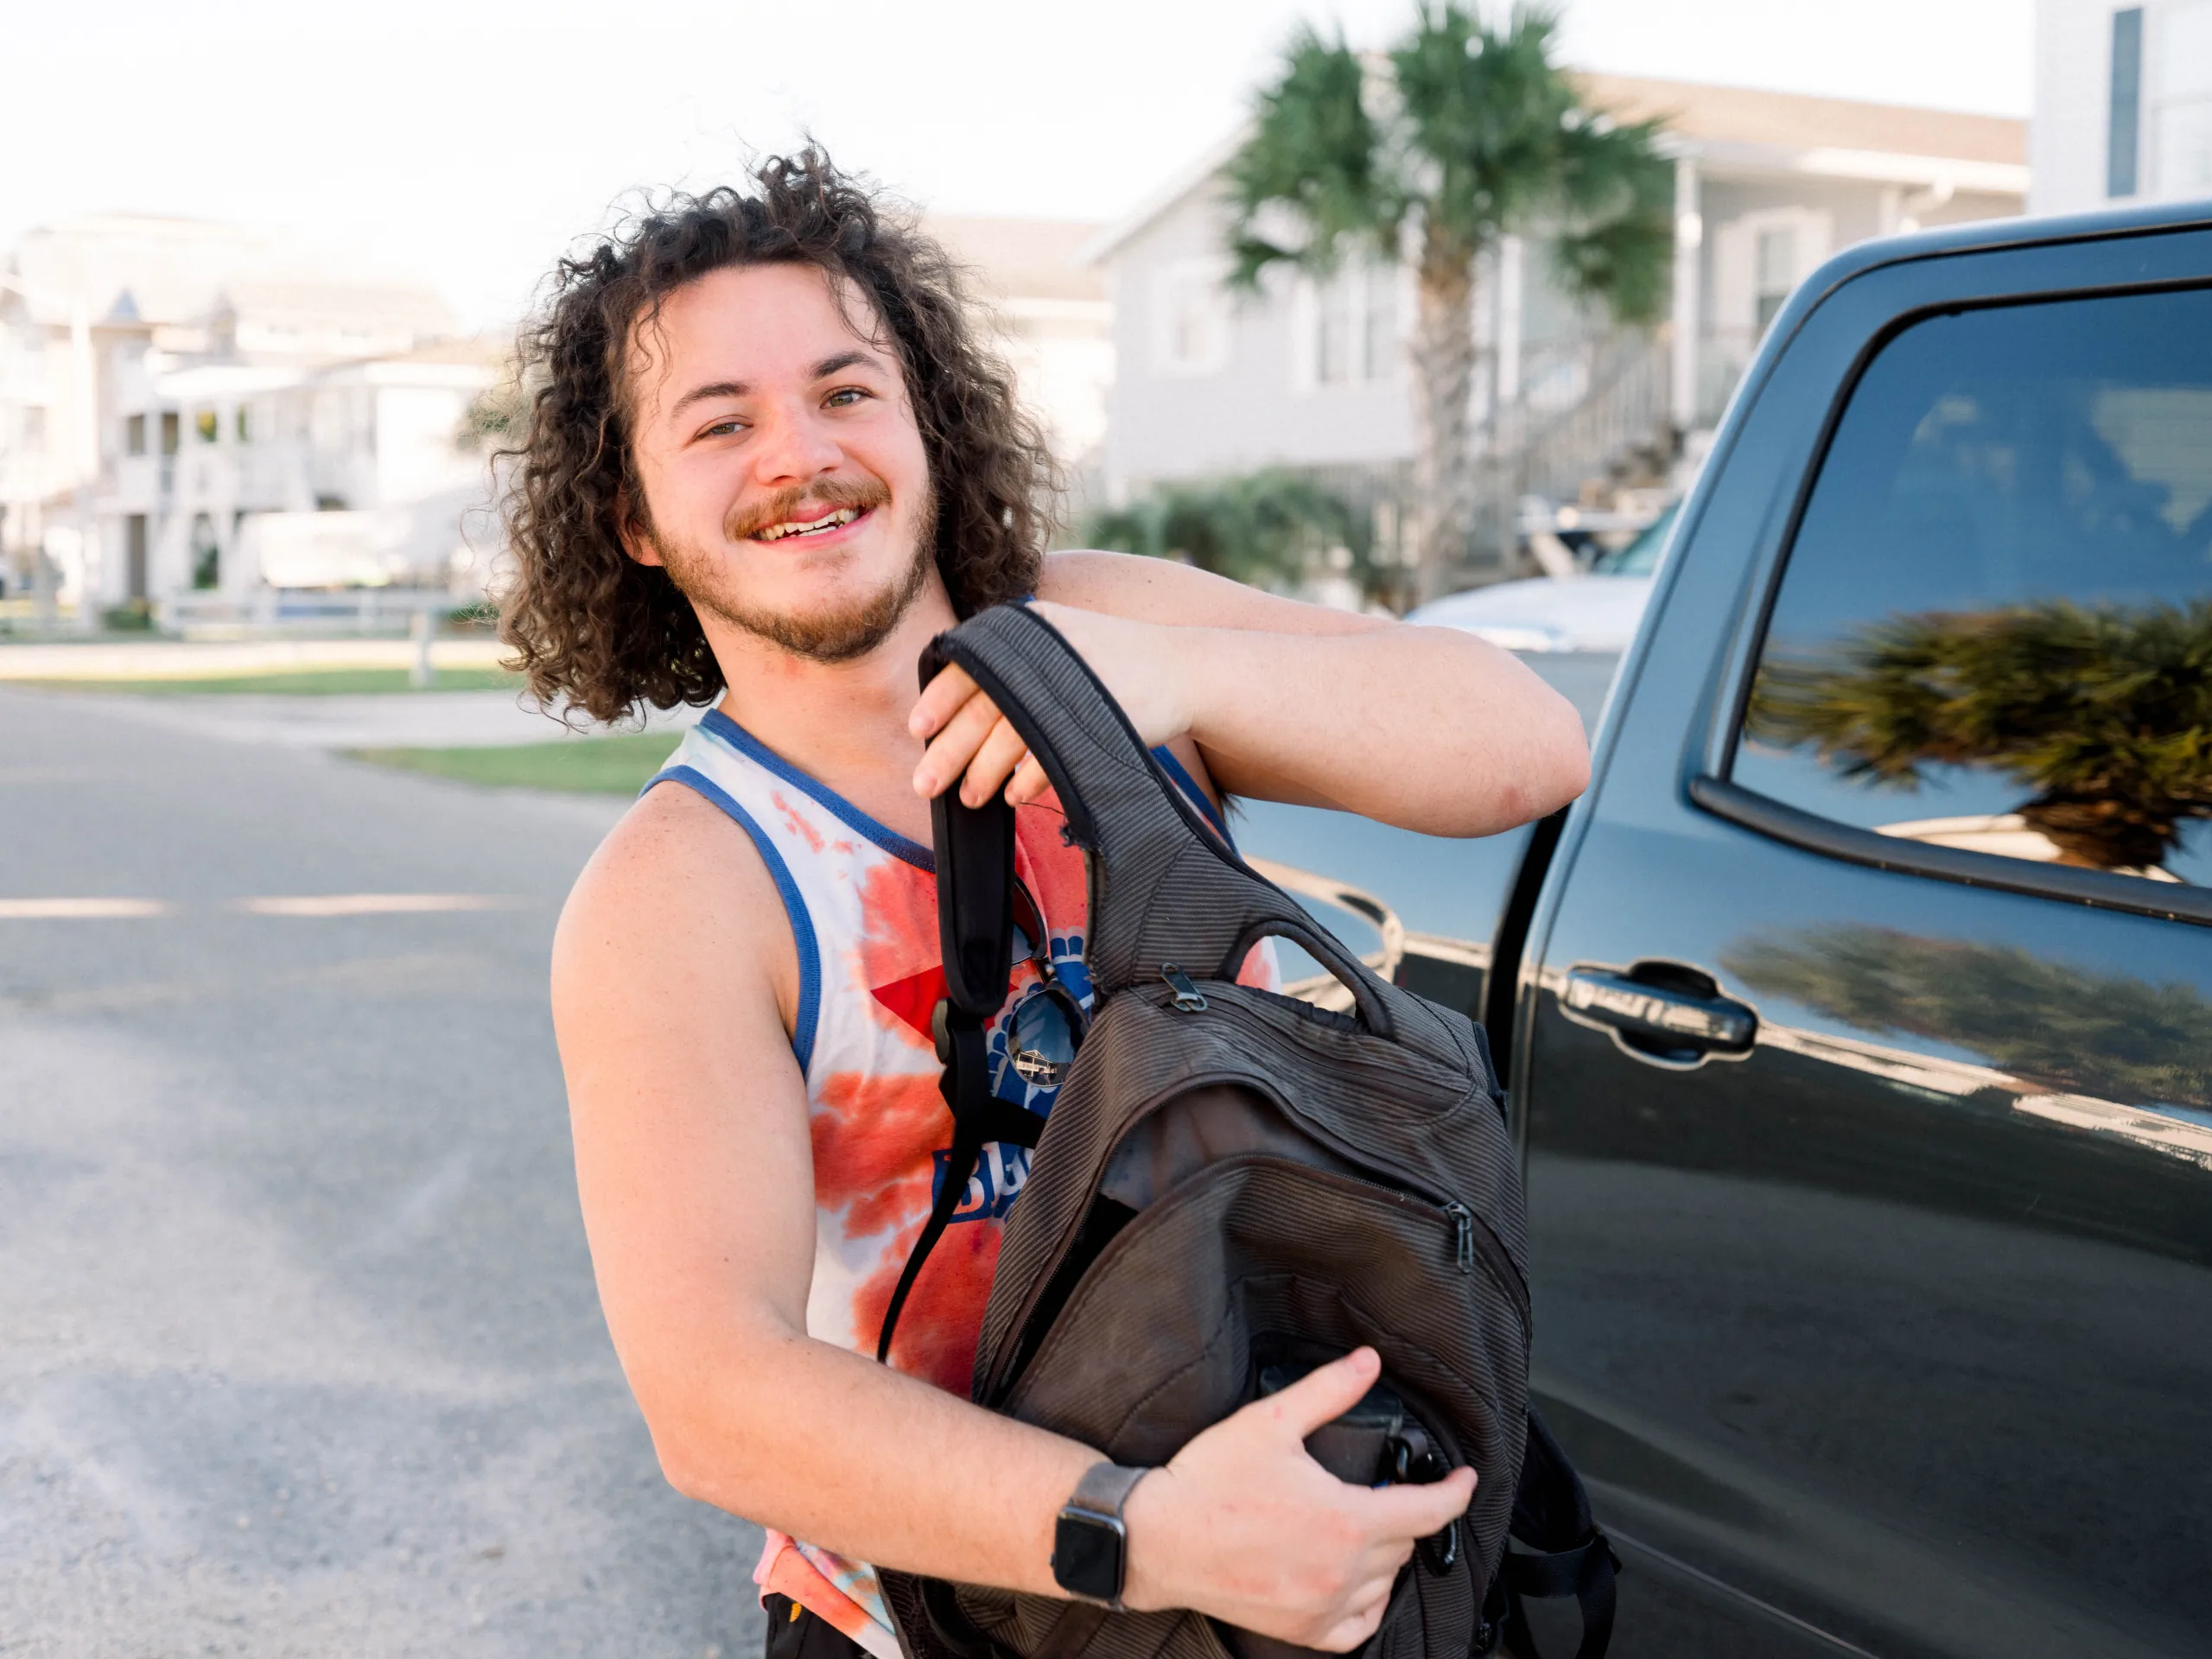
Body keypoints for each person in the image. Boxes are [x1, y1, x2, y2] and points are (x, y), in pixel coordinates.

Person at [504, 150, 1589, 1659]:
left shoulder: (1102, 623)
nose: (800, 455)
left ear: (926, 422)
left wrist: (1174, 678)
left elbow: (1528, 745)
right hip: (969, 1614)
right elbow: (715, 1395)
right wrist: (1145, 1536)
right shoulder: (684, 889)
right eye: (721, 423)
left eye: (845, 391)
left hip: (1320, 1547)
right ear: (631, 514)